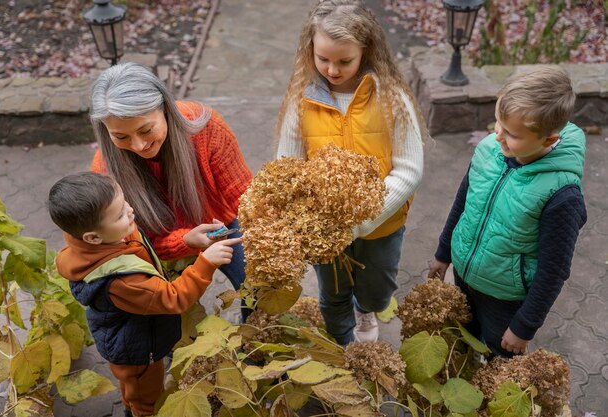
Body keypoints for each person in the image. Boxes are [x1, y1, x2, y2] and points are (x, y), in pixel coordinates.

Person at [276, 0, 426, 345]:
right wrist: (311, 220)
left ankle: (367, 309)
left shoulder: (392, 98)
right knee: (332, 293)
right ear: (310, 50)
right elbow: (288, 166)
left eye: (344, 61)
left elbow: (409, 168)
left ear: (366, 51)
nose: (332, 69)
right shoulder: (302, 101)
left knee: (378, 289)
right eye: (322, 59)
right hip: (325, 231)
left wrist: (360, 218)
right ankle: (341, 343)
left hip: (382, 224)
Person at [49, 172, 242, 417]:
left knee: (132, 389)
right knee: (145, 397)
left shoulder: (106, 237)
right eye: (119, 214)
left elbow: (140, 248)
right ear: (93, 237)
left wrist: (188, 240)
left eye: (125, 203)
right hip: (137, 351)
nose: (130, 211)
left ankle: (132, 401)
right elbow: (173, 298)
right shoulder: (122, 282)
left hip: (134, 332)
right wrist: (206, 263)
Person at [428, 67, 587, 358]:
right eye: (497, 123)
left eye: (512, 134)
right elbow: (463, 202)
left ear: (548, 140)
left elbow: (554, 270)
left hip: (505, 297)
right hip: (464, 275)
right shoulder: (489, 150)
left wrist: (524, 326)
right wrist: (443, 252)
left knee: (500, 361)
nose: (498, 136)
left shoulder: (561, 194)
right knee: (460, 341)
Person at [89, 62, 252, 303]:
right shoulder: (104, 171)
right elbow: (136, 242)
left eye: (145, 130)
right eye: (121, 137)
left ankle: (252, 334)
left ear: (165, 108)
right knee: (168, 313)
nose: (138, 145)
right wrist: (185, 241)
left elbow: (245, 197)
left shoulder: (207, 129)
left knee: (254, 286)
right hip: (158, 243)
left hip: (220, 226)